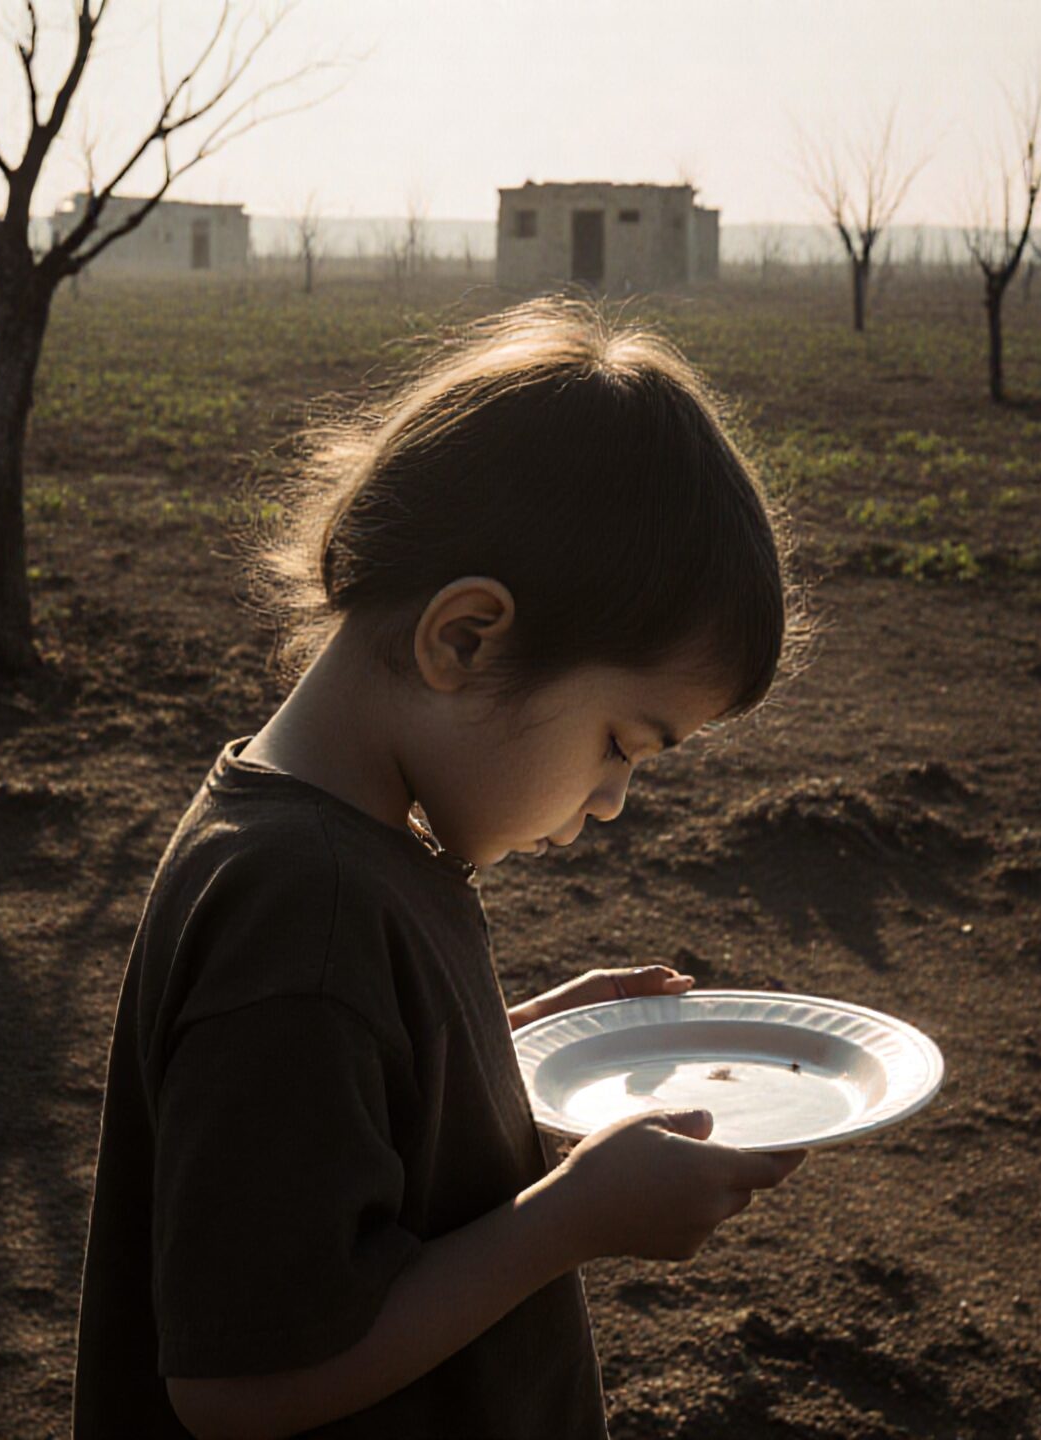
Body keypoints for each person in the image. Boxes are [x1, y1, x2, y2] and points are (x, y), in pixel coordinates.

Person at [72, 295, 815, 1439]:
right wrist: (564, 1223)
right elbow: (240, 1385)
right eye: (622, 744)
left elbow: (342, 1100)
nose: (612, 801)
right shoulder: (299, 911)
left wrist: (498, 1048)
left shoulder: (343, 849)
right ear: (465, 638)